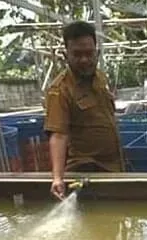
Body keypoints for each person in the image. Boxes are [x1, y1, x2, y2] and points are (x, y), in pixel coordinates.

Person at [44, 21, 123, 199]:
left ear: (97, 53)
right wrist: (57, 178)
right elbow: (58, 135)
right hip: (86, 173)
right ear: (66, 55)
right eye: (77, 55)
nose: (84, 60)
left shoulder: (100, 78)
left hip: (112, 167)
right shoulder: (60, 90)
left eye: (89, 54)